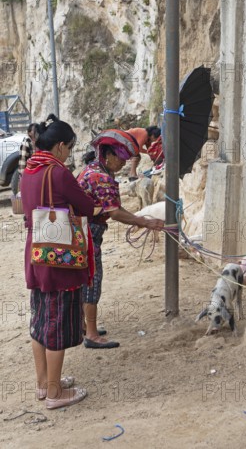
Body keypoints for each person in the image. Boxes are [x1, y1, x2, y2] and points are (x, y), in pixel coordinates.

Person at [20, 114, 95, 410]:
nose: (69, 154)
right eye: (70, 148)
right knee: (57, 324)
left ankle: (44, 383)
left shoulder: (29, 169)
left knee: (39, 320)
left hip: (35, 251)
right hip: (58, 257)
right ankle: (54, 394)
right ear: (61, 146)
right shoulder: (58, 173)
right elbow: (87, 206)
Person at [77, 130, 164, 349]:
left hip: (81, 232)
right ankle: (92, 334)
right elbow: (115, 212)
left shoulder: (93, 170)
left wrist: (136, 218)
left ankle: (84, 326)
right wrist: (144, 222)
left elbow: (113, 208)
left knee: (85, 280)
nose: (123, 164)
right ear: (108, 155)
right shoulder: (102, 177)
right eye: (121, 159)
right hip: (88, 234)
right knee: (92, 281)